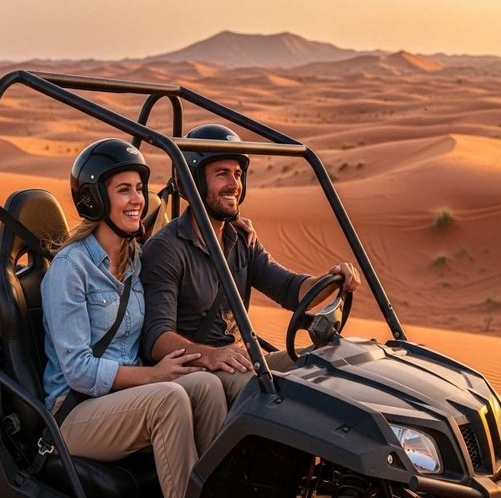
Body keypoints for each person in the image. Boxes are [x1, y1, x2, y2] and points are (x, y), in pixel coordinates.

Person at [41, 138, 227, 498]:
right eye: (123, 190)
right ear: (94, 198)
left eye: (140, 189)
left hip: (128, 398)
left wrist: (227, 230)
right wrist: (154, 375)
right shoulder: (70, 268)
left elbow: (182, 244)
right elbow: (79, 370)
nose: (137, 199)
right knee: (168, 399)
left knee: (207, 386)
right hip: (76, 411)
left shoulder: (136, 260)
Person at [141, 124, 361, 406]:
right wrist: (210, 355)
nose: (234, 184)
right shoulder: (166, 248)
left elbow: (290, 290)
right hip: (197, 374)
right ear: (193, 181)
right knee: (269, 391)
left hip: (241, 362)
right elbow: (157, 338)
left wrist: (333, 279)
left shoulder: (241, 239)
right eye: (222, 174)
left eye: (237, 174)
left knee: (328, 361)